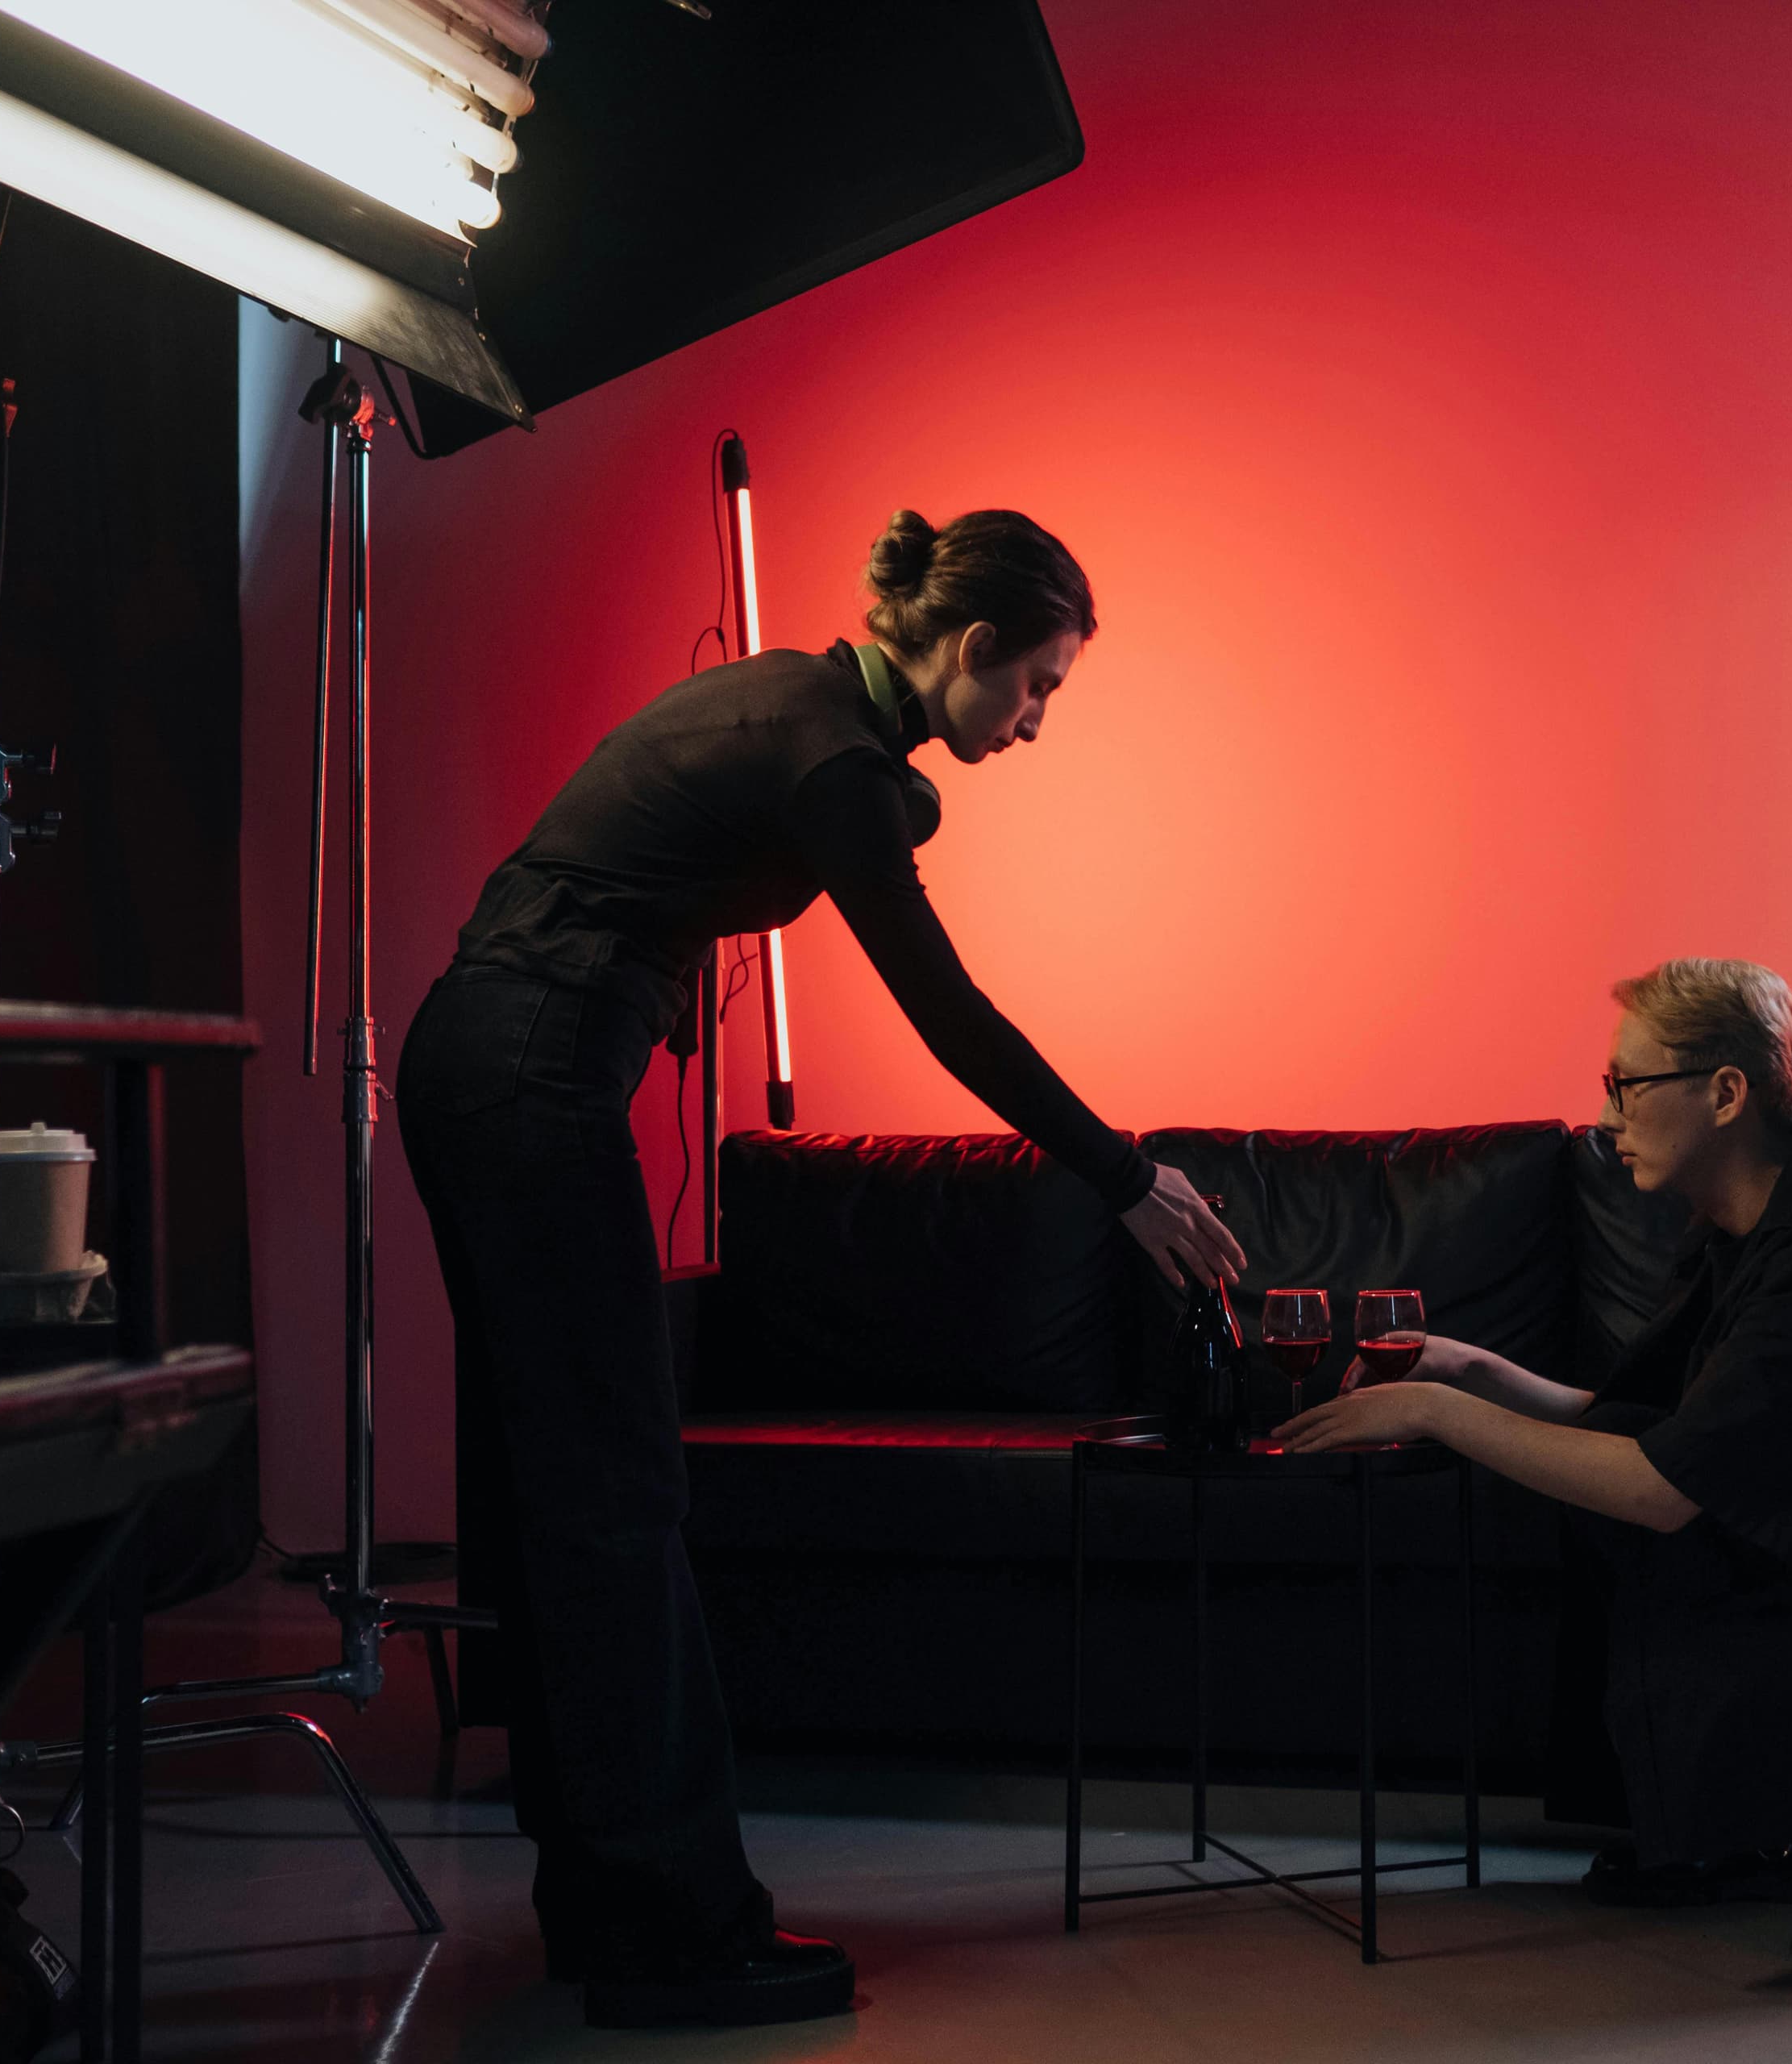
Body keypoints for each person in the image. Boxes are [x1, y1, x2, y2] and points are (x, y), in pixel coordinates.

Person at [397, 510, 1244, 2029]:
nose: (1038, 724)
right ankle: (672, 1927)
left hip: (491, 1056)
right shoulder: (834, 758)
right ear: (969, 647)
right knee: (615, 1493)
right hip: (530, 1069)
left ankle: (605, 1903)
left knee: (562, 1496)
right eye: (1039, 685)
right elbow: (951, 1013)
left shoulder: (800, 699)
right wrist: (1127, 1179)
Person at [1275, 958, 1792, 1941]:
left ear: (1725, 1092)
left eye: (1626, 1087)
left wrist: (1435, 1415)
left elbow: (1662, 1487)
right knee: (1602, 1483)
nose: (1604, 1120)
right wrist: (1475, 1370)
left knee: (1637, 1512)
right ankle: (1759, 1836)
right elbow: (1664, 1421)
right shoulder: (1761, 1207)